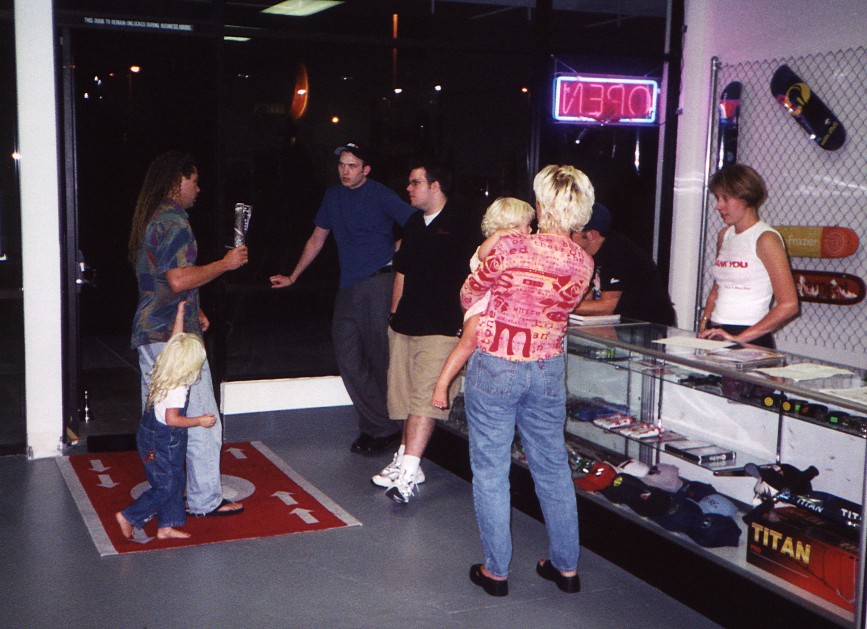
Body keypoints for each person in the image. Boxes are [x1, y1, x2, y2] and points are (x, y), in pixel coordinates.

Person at [460, 164, 595, 597]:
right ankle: (566, 568)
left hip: (497, 362)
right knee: (553, 468)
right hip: (547, 369)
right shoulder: (584, 262)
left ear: (539, 205)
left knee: (492, 470)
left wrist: (486, 253)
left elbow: (468, 296)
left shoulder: (511, 247)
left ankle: (496, 572)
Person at [270, 142, 415, 454]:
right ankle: (380, 426)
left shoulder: (380, 194)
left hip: (379, 283)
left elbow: (416, 224)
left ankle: (397, 431)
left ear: (366, 169)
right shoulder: (333, 196)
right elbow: (317, 238)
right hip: (348, 286)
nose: (345, 171)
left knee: (381, 358)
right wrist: (294, 275)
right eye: (342, 165)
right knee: (348, 358)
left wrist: (394, 254)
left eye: (352, 166)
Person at [129, 151, 246, 517]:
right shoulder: (176, 221)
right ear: (177, 182)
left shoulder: (151, 217)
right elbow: (179, 278)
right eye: (193, 180)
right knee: (202, 419)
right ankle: (204, 499)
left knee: (161, 422)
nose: (198, 187)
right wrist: (225, 264)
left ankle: (164, 496)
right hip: (175, 340)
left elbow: (161, 281)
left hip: (151, 332)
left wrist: (199, 308)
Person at [371, 161, 479, 504]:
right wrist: (393, 316)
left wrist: (468, 325)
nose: (409, 188)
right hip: (405, 327)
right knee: (405, 403)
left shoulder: (464, 225)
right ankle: (407, 461)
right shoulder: (413, 225)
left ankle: (409, 471)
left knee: (424, 401)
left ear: (435, 186)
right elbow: (401, 274)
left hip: (443, 330)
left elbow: (478, 279)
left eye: (415, 182)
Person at [116, 302, 217, 540]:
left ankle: (166, 526)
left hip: (150, 432)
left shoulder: (165, 362)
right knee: (168, 485)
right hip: (164, 438)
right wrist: (199, 421)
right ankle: (130, 516)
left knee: (174, 478)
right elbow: (173, 419)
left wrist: (180, 314)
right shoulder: (178, 387)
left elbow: (175, 340)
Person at [430, 197, 536, 410]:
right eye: (527, 225)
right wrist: (498, 236)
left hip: (503, 307)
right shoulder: (490, 246)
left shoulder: (524, 248)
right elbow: (483, 255)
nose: (532, 230)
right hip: (483, 303)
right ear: (511, 226)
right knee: (469, 341)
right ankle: (442, 384)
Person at [698, 164, 799, 348]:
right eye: (717, 198)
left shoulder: (766, 239)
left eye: (725, 199)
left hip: (750, 335)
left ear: (746, 198)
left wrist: (739, 339)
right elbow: (717, 288)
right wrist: (705, 320)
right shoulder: (725, 235)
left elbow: (789, 305)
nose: (718, 206)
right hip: (718, 331)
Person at [570, 203, 676, 326]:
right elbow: (586, 298)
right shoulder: (589, 255)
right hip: (624, 324)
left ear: (592, 234)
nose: (568, 235)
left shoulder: (618, 253)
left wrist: (562, 306)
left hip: (648, 326)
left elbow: (606, 306)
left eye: (573, 231)